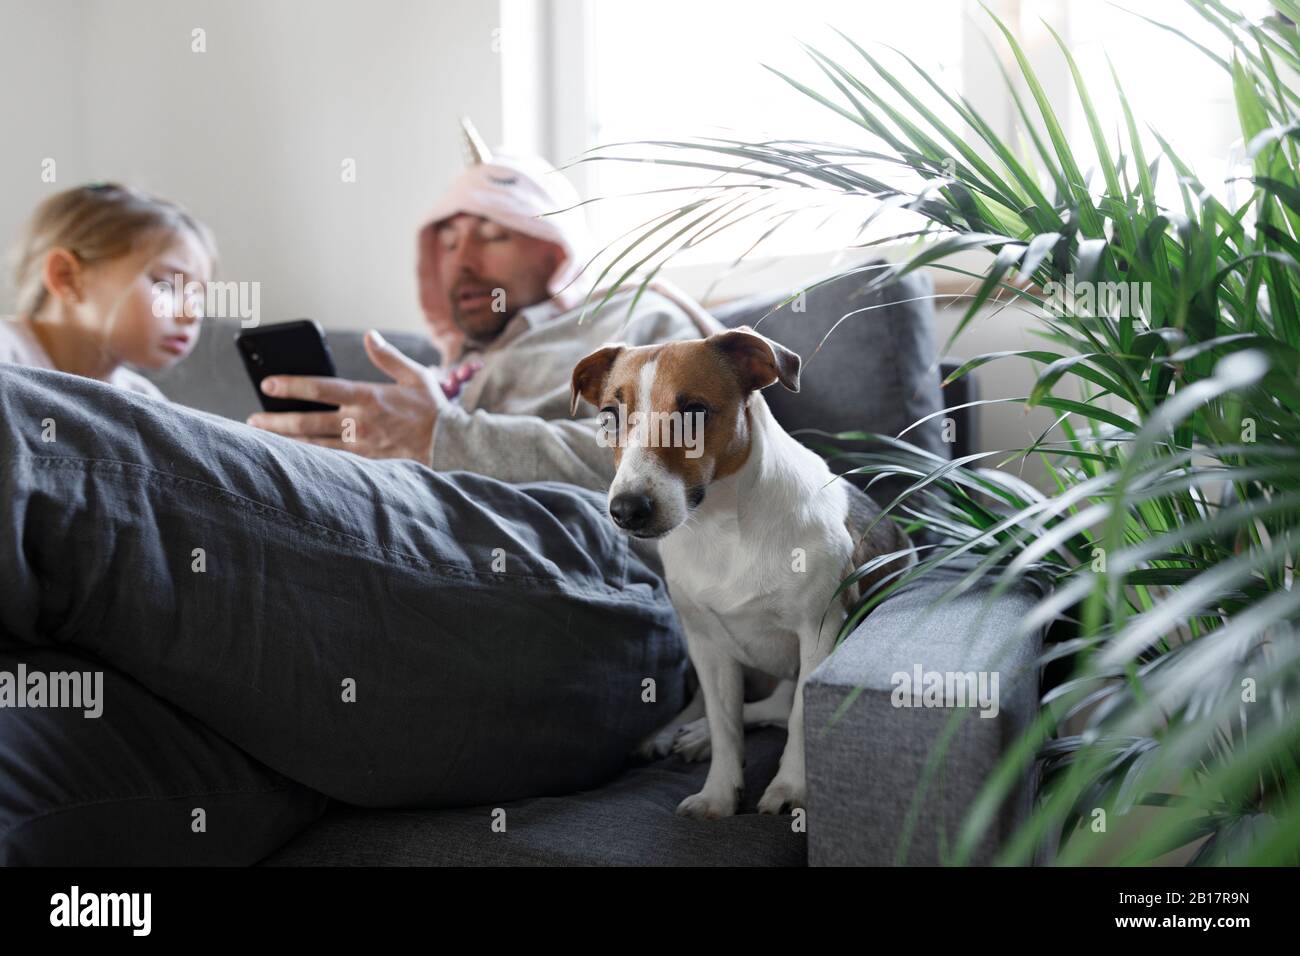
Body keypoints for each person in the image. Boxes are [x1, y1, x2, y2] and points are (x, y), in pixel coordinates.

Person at [245, 119, 720, 491]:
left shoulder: (637, 320)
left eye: (493, 236)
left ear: (557, 249)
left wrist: (444, 438)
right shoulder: (452, 372)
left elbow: (672, 452)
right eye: (448, 245)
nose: (462, 263)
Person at [2, 183, 216, 398]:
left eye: (198, 294)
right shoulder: (7, 350)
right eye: (166, 284)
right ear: (66, 277)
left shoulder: (143, 397)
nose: (192, 314)